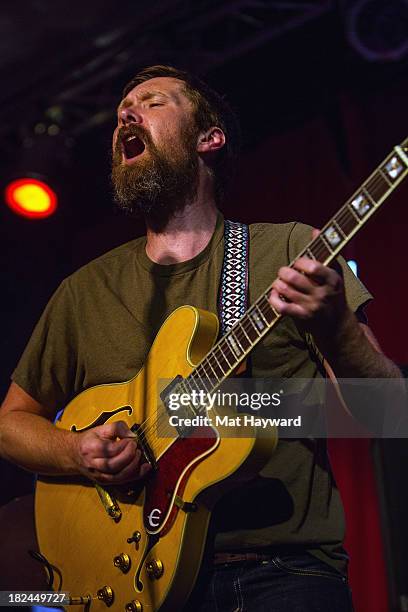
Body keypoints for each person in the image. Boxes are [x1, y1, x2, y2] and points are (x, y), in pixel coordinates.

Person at [0, 65, 403, 611]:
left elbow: (385, 412)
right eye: (123, 106)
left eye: (153, 101)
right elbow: (10, 425)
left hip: (281, 573)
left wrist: (333, 328)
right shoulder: (84, 290)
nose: (125, 112)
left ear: (209, 139)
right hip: (136, 581)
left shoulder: (285, 249)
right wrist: (76, 451)